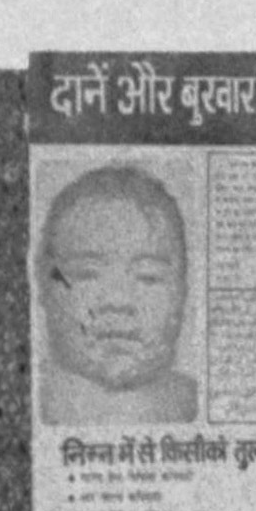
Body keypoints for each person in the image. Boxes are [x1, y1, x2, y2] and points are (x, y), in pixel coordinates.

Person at [37, 165, 203, 428]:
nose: (118, 301)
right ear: (43, 285)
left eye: (148, 276)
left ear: (182, 291)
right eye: (88, 274)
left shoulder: (198, 404)